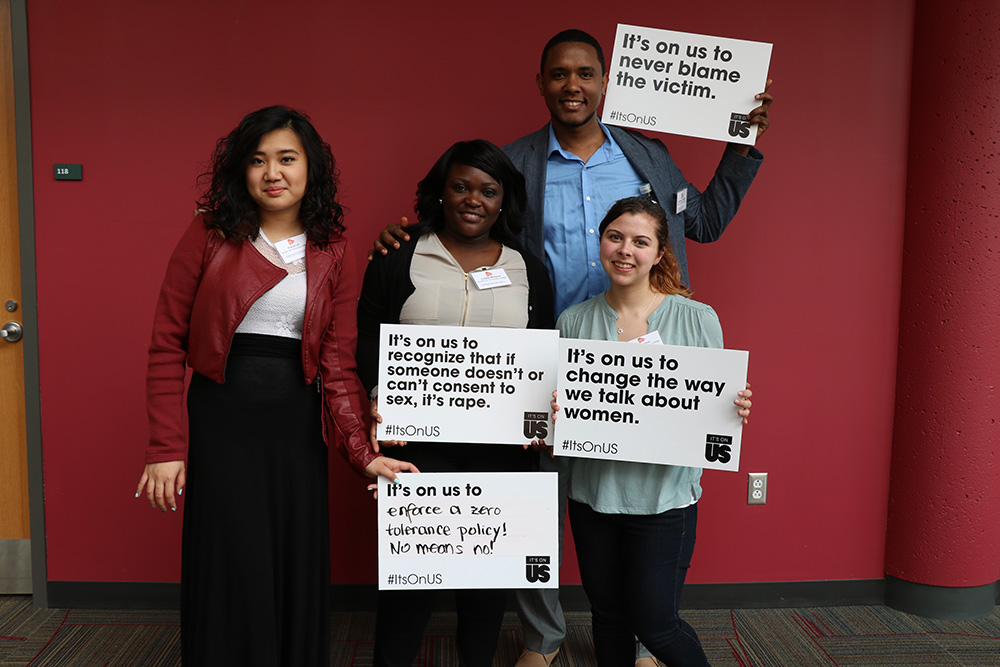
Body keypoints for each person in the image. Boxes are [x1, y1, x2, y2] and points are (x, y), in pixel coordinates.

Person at [372, 29, 772, 667]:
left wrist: (743, 136)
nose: (573, 86)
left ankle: (647, 633)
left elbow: (706, 221)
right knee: (542, 503)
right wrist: (407, 235)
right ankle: (544, 635)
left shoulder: (647, 156)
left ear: (606, 80)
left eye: (585, 73)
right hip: (549, 360)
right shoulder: (518, 161)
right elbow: (472, 218)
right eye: (559, 74)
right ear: (542, 85)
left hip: (649, 353)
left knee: (644, 496)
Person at [134, 105, 416, 667]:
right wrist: (166, 448)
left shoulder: (334, 247)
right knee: (231, 557)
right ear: (242, 170)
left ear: (310, 168)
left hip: (295, 428)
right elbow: (167, 342)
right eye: (258, 160)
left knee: (290, 558)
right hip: (223, 420)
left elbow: (337, 365)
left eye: (287, 158)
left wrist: (363, 454)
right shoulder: (209, 232)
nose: (273, 172)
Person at [356, 139, 555, 667]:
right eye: (461, 186)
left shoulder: (530, 269)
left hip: (502, 449)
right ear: (441, 192)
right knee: (409, 582)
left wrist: (539, 428)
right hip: (416, 442)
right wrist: (381, 404)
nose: (473, 199)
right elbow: (368, 345)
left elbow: (541, 358)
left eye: (488, 190)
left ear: (504, 200)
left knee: (486, 584)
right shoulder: (397, 256)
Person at [554, 196, 752, 666]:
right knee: (607, 616)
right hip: (592, 497)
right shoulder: (573, 322)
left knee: (655, 623)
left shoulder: (697, 318)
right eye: (615, 237)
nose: (625, 250)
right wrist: (554, 412)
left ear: (660, 253)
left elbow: (713, 409)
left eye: (641, 242)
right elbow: (556, 410)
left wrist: (733, 407)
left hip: (664, 501)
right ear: (600, 242)